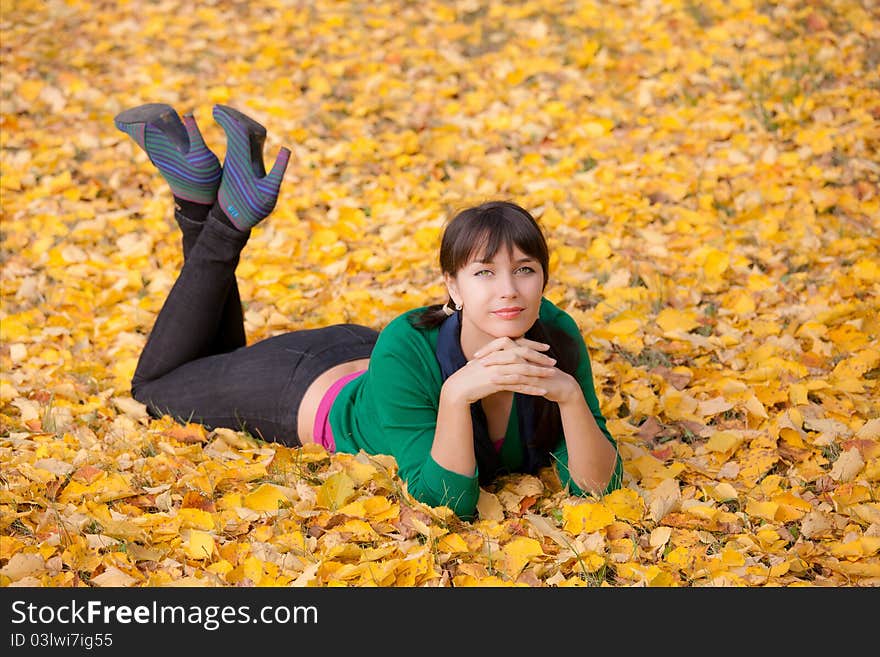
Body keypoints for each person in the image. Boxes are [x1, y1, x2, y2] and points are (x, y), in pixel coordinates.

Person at [116, 102, 623, 520]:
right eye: (485, 273)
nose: (509, 291)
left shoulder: (555, 333)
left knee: (214, 358)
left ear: (544, 279)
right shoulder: (409, 343)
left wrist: (571, 399)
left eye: (526, 270)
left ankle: (200, 201)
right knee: (153, 388)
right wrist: (455, 395)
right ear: (454, 286)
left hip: (372, 355)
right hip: (301, 384)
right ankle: (221, 221)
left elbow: (600, 486)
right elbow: (447, 502)